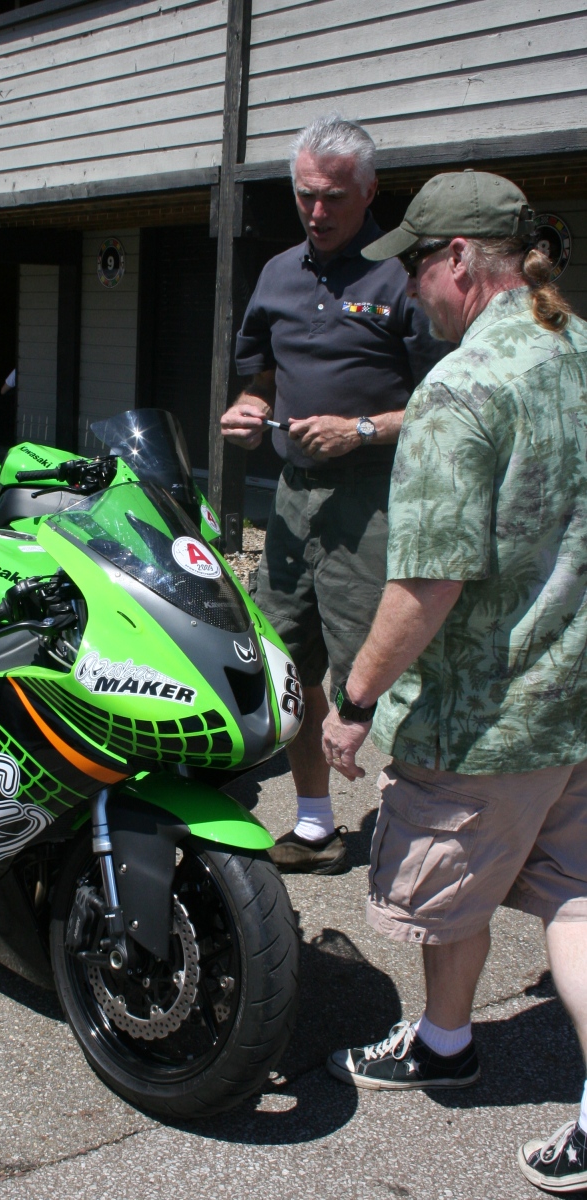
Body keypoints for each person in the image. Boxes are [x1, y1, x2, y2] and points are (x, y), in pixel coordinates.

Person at [320, 170, 587, 1196]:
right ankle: (444, 1041)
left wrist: (350, 704)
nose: (409, 293)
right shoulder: (578, 352)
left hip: (485, 717)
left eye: (418, 267)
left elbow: (427, 583)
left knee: (449, 892)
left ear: (463, 264)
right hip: (576, 707)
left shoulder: (462, 388)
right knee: (574, 899)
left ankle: (442, 1040)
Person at [220, 114, 446, 874]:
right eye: (306, 195)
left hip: (374, 498)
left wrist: (363, 430)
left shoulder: (405, 277)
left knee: (379, 672)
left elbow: (449, 400)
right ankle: (315, 824)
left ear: (371, 191)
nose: (318, 211)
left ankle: (422, 840)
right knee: (288, 665)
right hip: (290, 498)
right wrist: (253, 409)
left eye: (335, 197)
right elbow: (260, 373)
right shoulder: (279, 272)